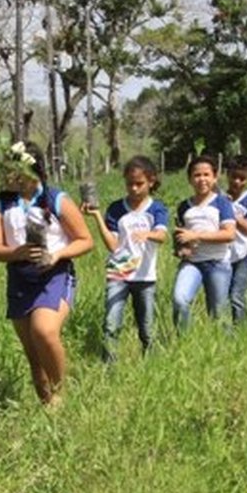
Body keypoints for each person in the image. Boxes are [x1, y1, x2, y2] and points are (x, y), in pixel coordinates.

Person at [0, 142, 92, 405]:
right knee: (33, 352)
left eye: (15, 170)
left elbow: (85, 240)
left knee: (43, 331)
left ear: (32, 171)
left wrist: (57, 255)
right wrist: (16, 253)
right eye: (7, 170)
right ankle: (47, 407)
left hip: (54, 274)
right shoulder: (2, 203)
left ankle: (60, 395)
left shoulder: (56, 199)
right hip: (20, 277)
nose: (9, 176)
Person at [84, 155, 169, 362]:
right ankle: (109, 366)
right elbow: (113, 245)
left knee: (147, 327)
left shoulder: (156, 208)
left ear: (151, 181)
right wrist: (97, 217)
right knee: (111, 323)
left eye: (139, 184)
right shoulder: (116, 209)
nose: (134, 189)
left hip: (144, 275)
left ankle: (150, 363)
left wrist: (147, 234)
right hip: (119, 273)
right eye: (130, 184)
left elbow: (162, 236)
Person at [171, 155, 236, 330]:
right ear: (190, 179)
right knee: (180, 300)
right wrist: (180, 247)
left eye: (206, 175)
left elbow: (229, 234)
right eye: (197, 175)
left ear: (215, 177)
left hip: (218, 263)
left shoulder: (222, 203)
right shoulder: (184, 206)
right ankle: (183, 341)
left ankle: (227, 348)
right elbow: (182, 234)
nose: (202, 179)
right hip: (191, 263)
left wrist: (196, 236)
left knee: (218, 314)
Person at [225, 156, 247, 325]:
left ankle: (243, 328)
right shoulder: (220, 198)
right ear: (227, 175)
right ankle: (229, 328)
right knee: (224, 294)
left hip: (245, 252)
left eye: (242, 178)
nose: (237, 182)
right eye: (234, 177)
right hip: (225, 254)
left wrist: (233, 214)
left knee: (236, 294)